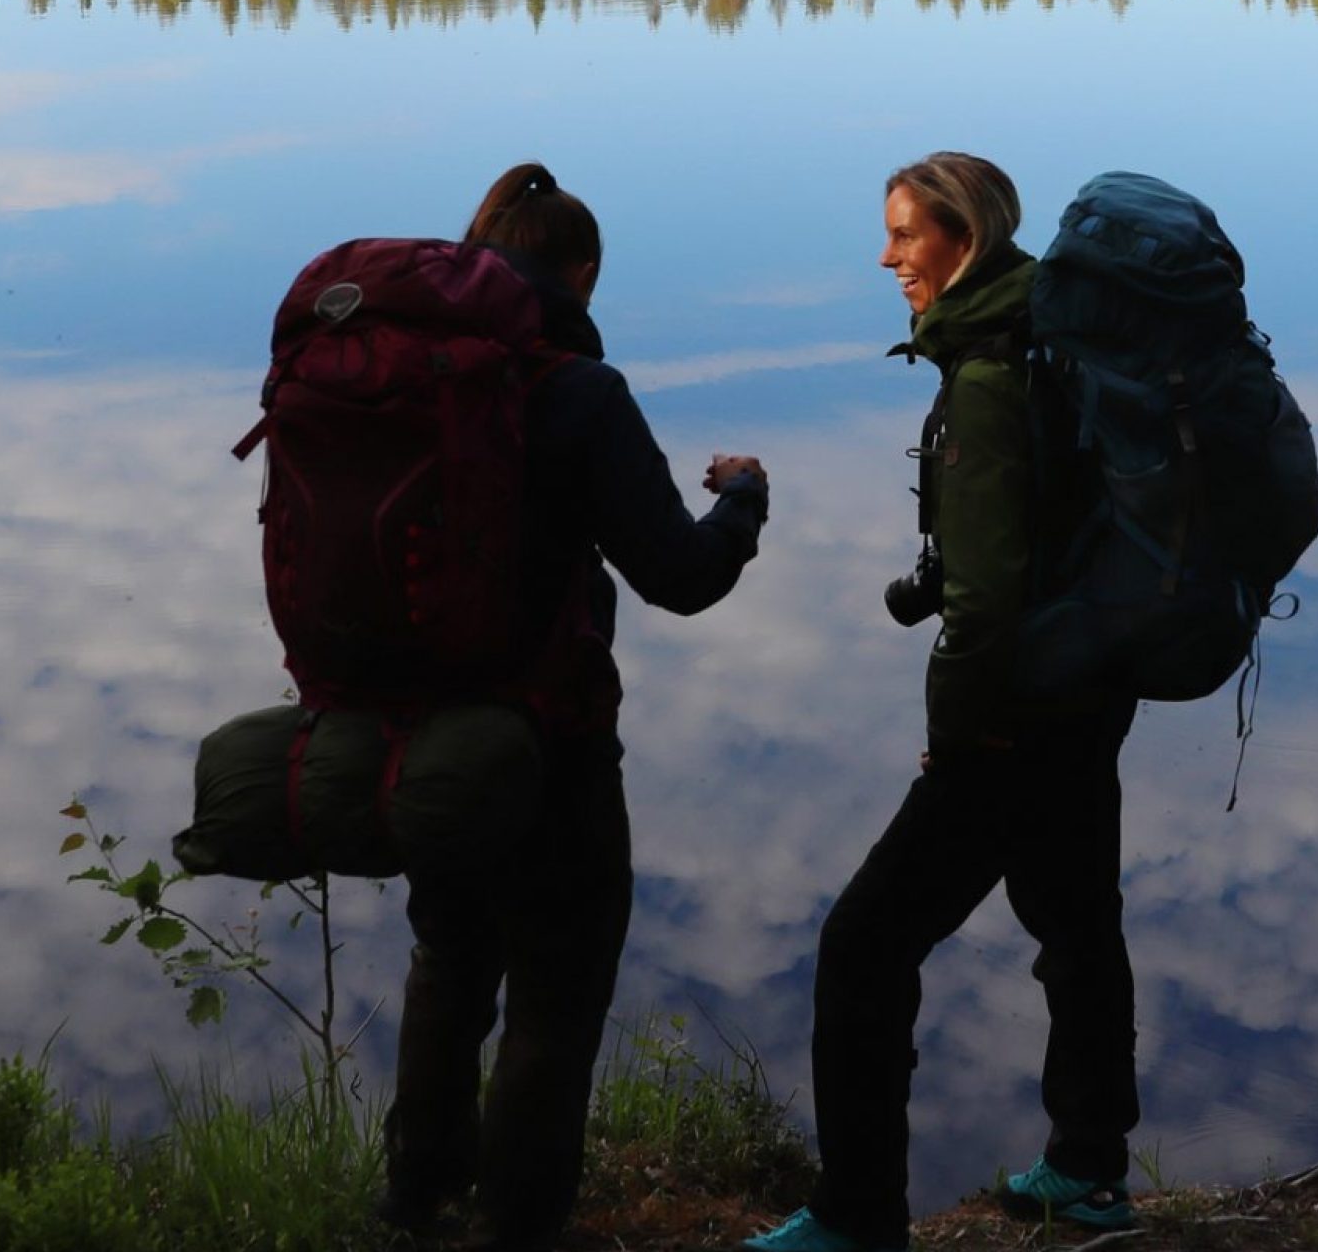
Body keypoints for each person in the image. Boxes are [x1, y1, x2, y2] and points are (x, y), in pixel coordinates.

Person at [746, 152, 1139, 1252]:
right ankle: (1089, 1168)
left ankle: (859, 1211)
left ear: (961, 238)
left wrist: (951, 741)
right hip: (1089, 686)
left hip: (1014, 713)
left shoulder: (988, 378)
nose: (887, 257)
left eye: (905, 236)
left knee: (863, 945)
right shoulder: (1050, 338)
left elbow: (983, 600)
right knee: (1075, 923)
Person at [383, 161, 772, 1252]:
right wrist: (742, 502)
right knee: (556, 986)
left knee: (449, 959)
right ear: (583, 273)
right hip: (550, 741)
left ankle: (415, 1200)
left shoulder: (403, 373)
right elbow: (682, 575)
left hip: (418, 731)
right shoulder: (579, 392)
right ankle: (519, 1226)